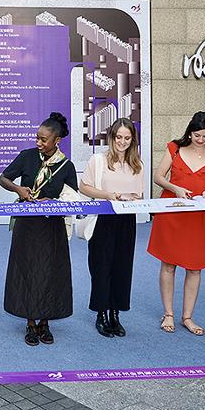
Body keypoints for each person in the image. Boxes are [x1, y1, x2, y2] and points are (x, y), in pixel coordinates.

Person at [0, 112, 78, 346]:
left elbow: (73, 198)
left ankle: (45, 322)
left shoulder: (67, 166)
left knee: (51, 272)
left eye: (44, 139)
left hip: (53, 226)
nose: (39, 142)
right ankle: (31, 323)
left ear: (57, 140)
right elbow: (3, 178)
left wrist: (52, 202)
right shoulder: (27, 156)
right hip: (27, 224)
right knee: (27, 270)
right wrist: (18, 190)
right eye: (37, 138)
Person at [148, 111, 205, 336]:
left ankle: (188, 317)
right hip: (172, 212)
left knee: (194, 266)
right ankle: (168, 313)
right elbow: (158, 177)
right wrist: (176, 189)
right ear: (189, 132)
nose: (201, 140)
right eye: (197, 135)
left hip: (197, 215)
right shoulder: (174, 148)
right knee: (168, 264)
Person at [79, 118, 144, 338]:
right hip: (103, 219)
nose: (122, 142)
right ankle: (101, 314)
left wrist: (132, 199)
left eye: (127, 138)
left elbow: (139, 195)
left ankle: (115, 314)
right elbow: (84, 187)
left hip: (126, 221)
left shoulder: (137, 164)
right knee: (101, 268)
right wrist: (107, 195)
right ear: (111, 137)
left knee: (122, 268)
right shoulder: (98, 160)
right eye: (119, 137)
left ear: (132, 140)